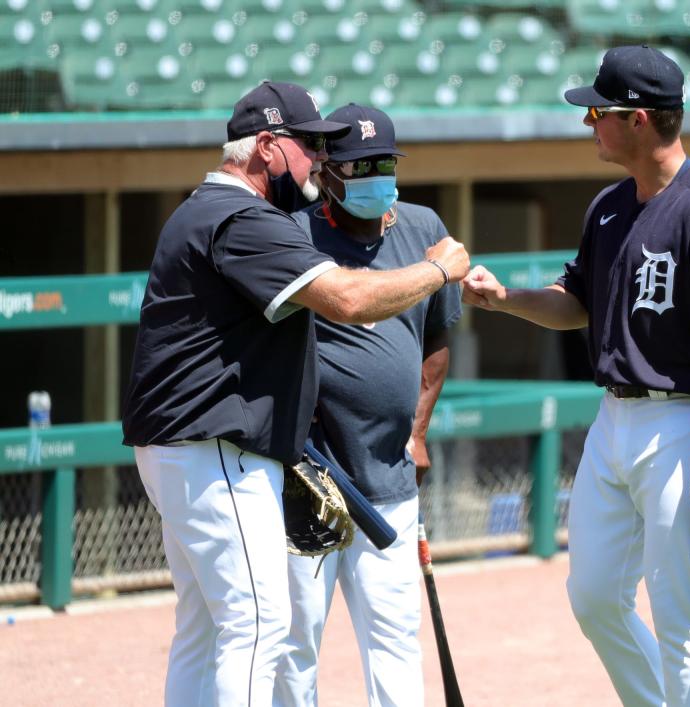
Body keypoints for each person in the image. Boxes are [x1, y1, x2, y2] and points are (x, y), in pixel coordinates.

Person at [121, 82, 469, 707]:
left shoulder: (203, 209)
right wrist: (441, 268)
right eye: (308, 146)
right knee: (258, 629)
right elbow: (350, 299)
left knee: (205, 630)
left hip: (184, 445)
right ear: (266, 146)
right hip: (216, 445)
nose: (316, 162)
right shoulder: (242, 216)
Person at [462, 45, 690, 706]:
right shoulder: (607, 207)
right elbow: (578, 304)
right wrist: (507, 298)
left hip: (686, 423)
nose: (587, 121)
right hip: (615, 418)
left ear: (642, 120)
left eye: (598, 110)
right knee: (594, 595)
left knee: (680, 615)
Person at [273, 103, 460, 707]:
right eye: (361, 165)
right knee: (294, 645)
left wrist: (419, 432)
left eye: (385, 162)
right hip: (310, 481)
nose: (377, 175)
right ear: (327, 170)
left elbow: (436, 342)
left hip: (389, 480)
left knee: (396, 640)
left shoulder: (422, 225)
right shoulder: (294, 232)